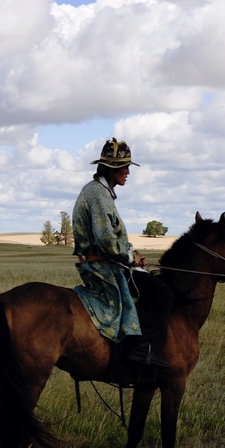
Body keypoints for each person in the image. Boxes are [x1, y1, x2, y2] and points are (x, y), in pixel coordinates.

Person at [71, 138, 173, 369]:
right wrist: (129, 258)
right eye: (123, 167)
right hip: (104, 268)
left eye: (128, 166)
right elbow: (107, 241)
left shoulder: (100, 192)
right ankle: (140, 349)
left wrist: (132, 254)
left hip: (107, 262)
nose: (128, 172)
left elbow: (113, 239)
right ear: (110, 169)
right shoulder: (98, 195)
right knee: (163, 293)